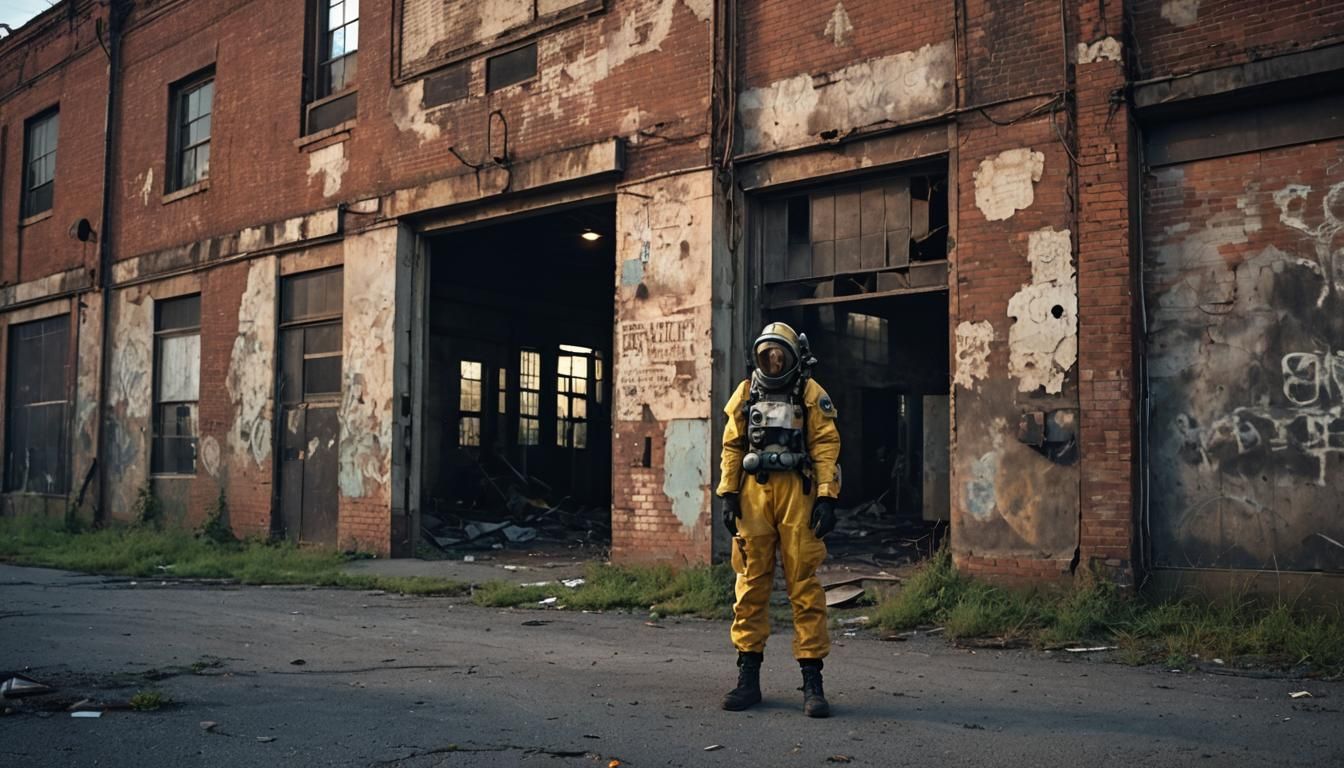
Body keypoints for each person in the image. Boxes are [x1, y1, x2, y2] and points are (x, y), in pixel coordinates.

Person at [716, 322, 841, 718]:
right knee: (750, 582)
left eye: (779, 355)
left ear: (792, 355)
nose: (772, 361)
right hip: (754, 493)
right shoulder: (745, 392)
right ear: (758, 356)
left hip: (797, 494)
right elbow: (733, 443)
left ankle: (812, 683)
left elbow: (825, 446)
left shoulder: (809, 393)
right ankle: (747, 680)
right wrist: (727, 492)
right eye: (766, 355)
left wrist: (826, 497)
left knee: (803, 583)